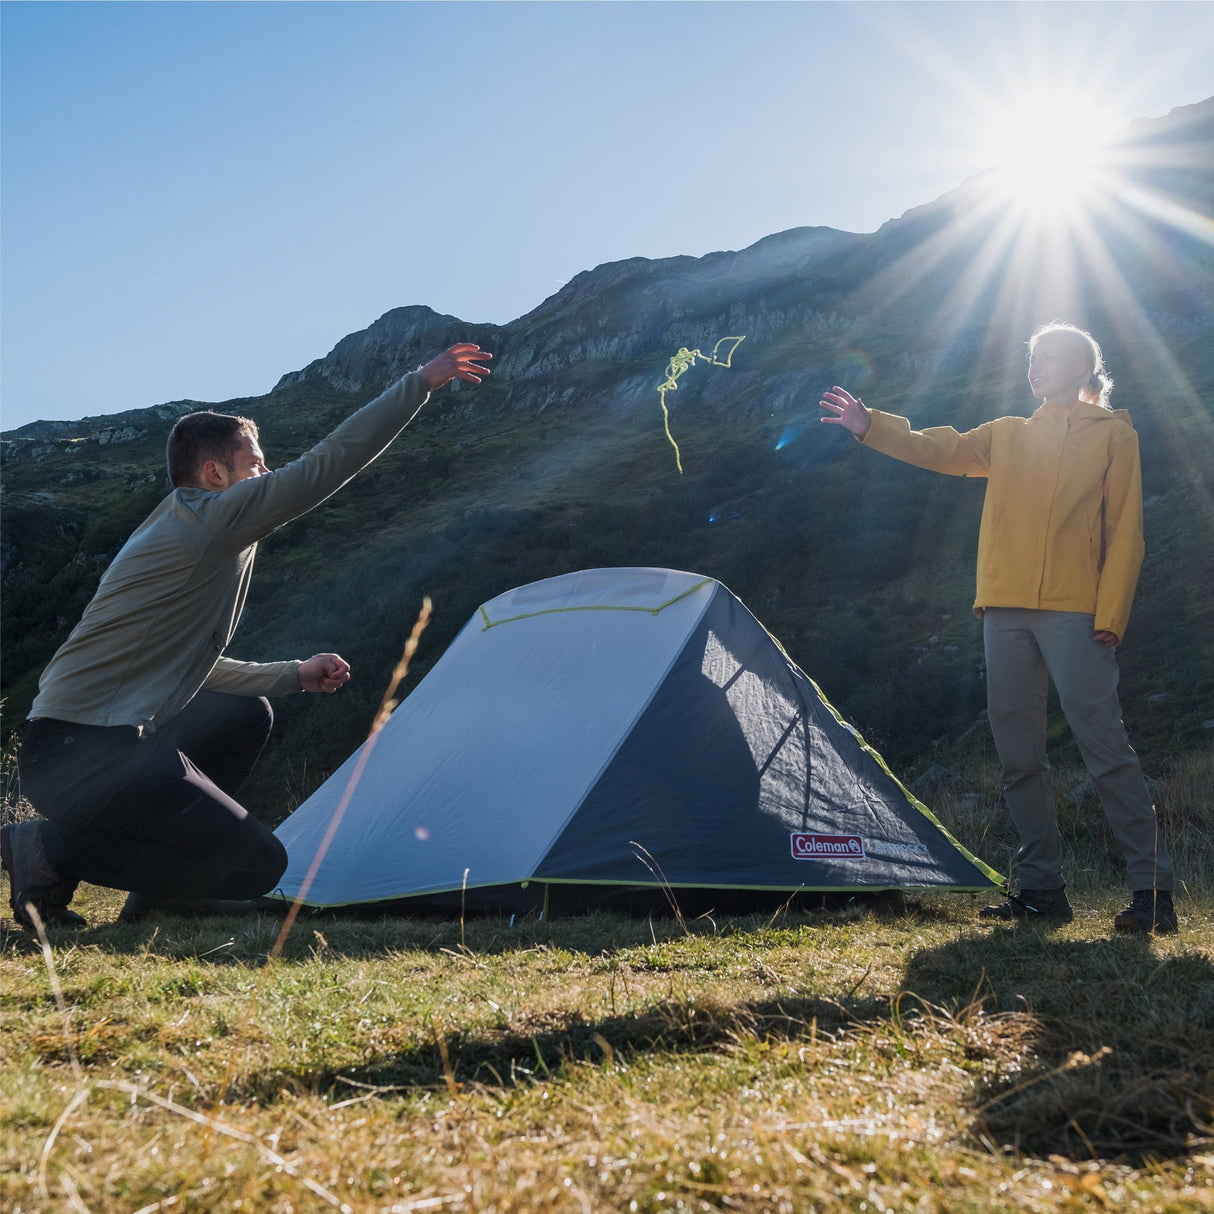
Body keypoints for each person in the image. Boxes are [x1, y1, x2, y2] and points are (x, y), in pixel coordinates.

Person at [2, 343, 492, 929]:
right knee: (255, 867)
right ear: (215, 473)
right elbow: (326, 465)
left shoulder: (192, 528)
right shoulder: (208, 520)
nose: (265, 475)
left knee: (246, 711)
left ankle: (163, 890)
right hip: (76, 752)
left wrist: (291, 675)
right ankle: (43, 848)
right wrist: (420, 382)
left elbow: (186, 668)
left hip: (110, 744)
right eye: (256, 463)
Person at [819, 322, 1176, 933]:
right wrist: (870, 425)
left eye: (1050, 358)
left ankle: (1152, 892)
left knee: (1103, 746)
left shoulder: (1116, 435)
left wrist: (1110, 616)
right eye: (1032, 358)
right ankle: (1041, 889)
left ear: (1083, 367)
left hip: (1076, 610)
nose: (1036, 367)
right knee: (1018, 755)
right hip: (1004, 608)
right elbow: (943, 448)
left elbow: (1126, 536)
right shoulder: (1008, 434)